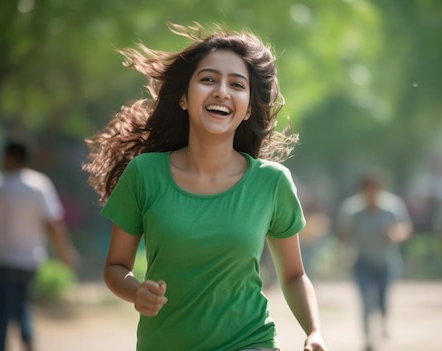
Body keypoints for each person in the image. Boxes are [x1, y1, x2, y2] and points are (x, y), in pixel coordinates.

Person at [83, 23, 327, 351]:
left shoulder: (271, 182)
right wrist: (136, 292)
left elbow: (294, 275)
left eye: (236, 84)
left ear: (248, 108)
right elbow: (115, 267)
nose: (222, 92)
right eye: (208, 79)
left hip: (249, 342)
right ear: (184, 98)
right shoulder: (145, 174)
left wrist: (314, 331)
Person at [0, 140, 78, 351]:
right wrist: (65, 252)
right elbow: (53, 224)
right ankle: (29, 345)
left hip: (2, 260)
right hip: (29, 261)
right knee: (23, 308)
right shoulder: (39, 184)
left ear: (10, 157)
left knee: (2, 312)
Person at [336, 172, 412, 351]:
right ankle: (369, 339)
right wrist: (343, 249)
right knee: (365, 300)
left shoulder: (392, 207)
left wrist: (395, 234)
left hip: (386, 262)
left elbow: (405, 227)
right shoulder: (351, 210)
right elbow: (344, 234)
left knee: (382, 299)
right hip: (362, 262)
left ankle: (384, 318)